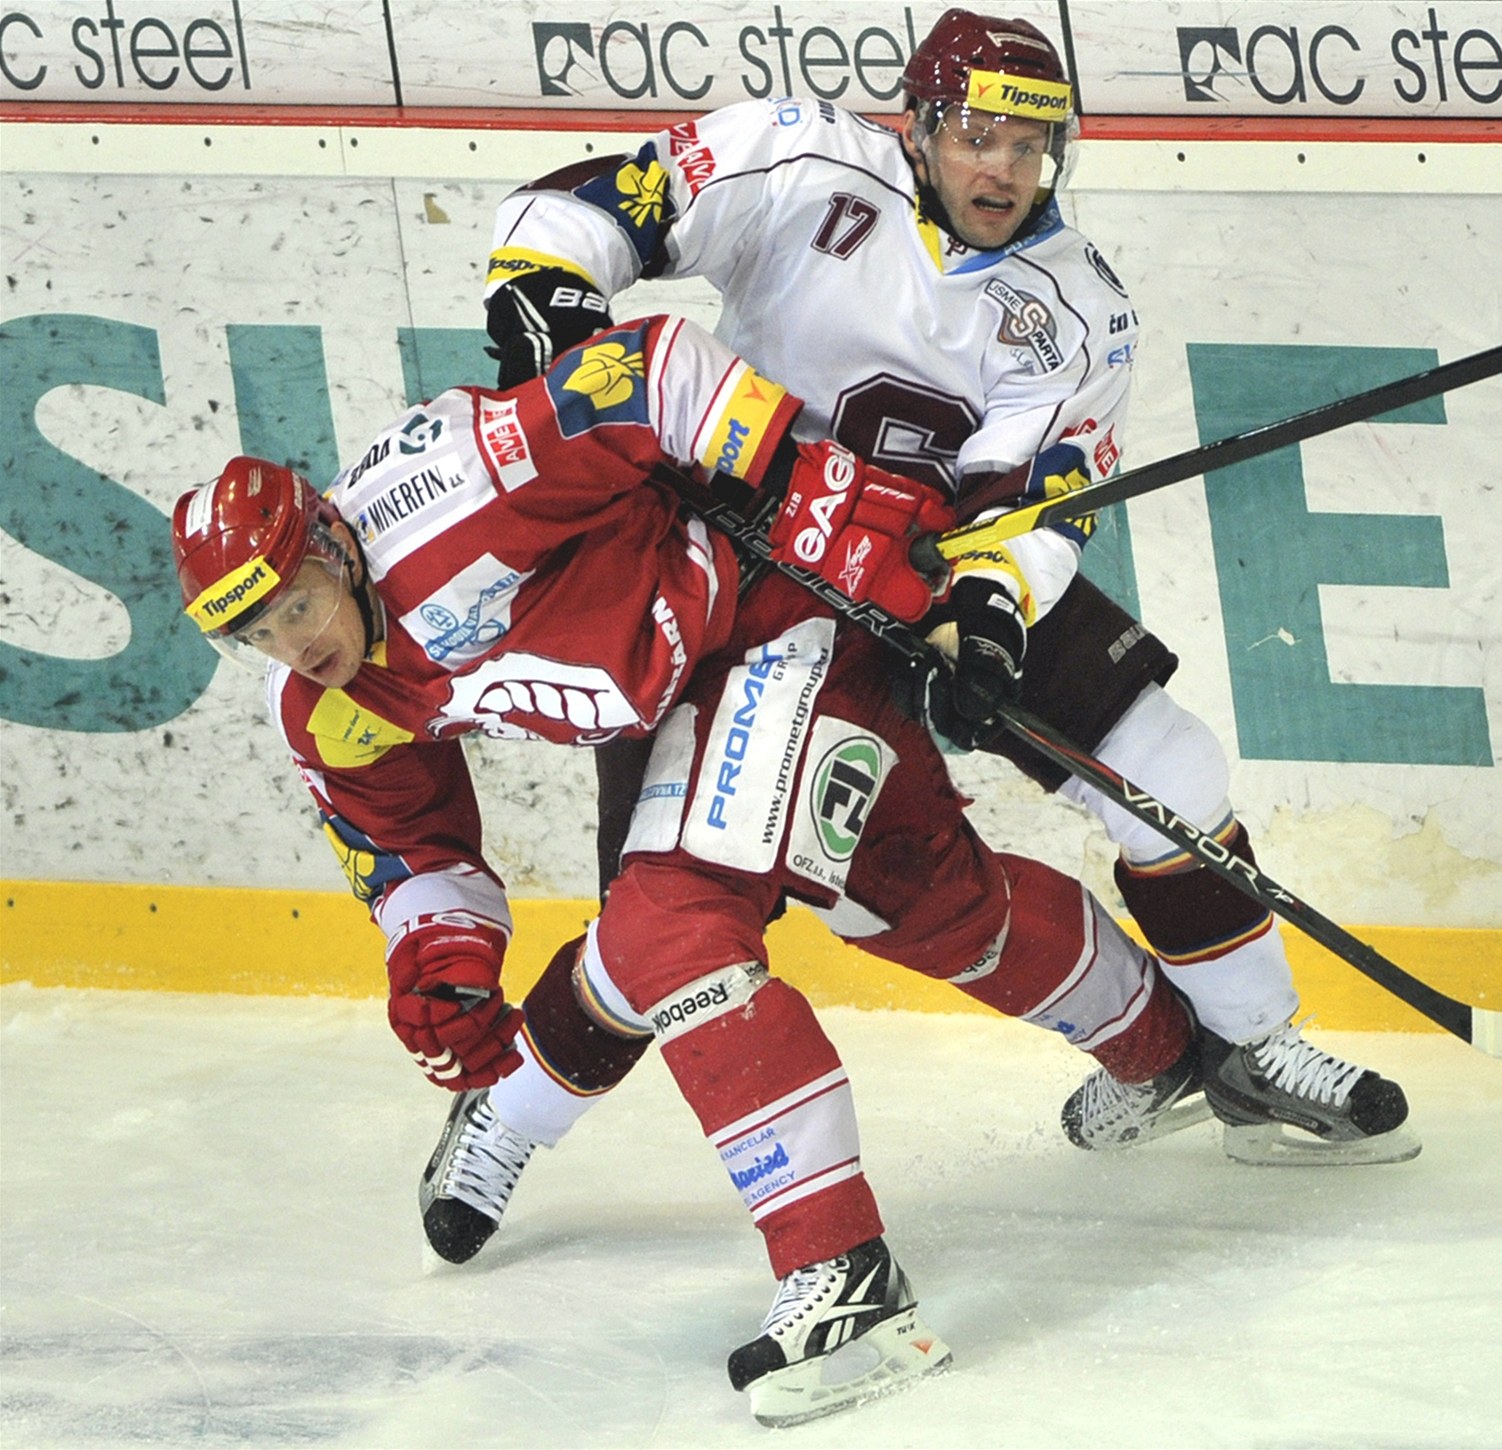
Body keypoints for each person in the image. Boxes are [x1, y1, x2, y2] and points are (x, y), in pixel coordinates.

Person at [170, 313, 1199, 1425]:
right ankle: (1166, 1048)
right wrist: (440, 957)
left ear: (332, 548)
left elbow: (644, 367)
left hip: (772, 614)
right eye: (257, 633)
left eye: (297, 606)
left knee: (670, 929)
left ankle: (844, 1276)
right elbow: (411, 845)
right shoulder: (321, 703)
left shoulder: (450, 493)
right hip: (686, 693)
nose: (293, 644)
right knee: (926, 899)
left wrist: (810, 490)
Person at [481, 8, 1416, 1169]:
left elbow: (1031, 502)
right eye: (977, 136)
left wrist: (988, 609)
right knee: (654, 918)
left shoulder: (1078, 306)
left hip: (919, 572)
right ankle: (501, 1121)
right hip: (732, 575)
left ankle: (1251, 1046)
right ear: (918, 127)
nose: (1003, 170)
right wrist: (550, 288)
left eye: (1029, 146)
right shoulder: (800, 161)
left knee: (1166, 766)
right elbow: (597, 206)